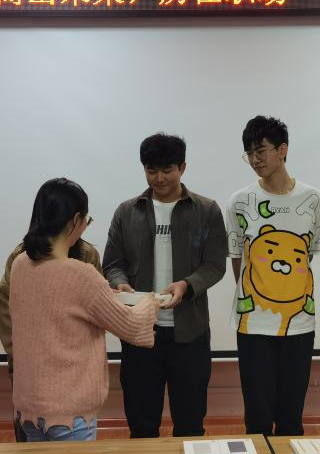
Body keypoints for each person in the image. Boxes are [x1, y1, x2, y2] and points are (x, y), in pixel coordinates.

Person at [10, 177, 158, 441]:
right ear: (75, 220)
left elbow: (61, 305)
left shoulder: (20, 264)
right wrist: (150, 302)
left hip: (29, 406)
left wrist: (109, 296)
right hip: (70, 412)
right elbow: (133, 327)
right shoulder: (82, 274)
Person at [103, 133, 227, 438]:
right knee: (142, 426)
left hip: (190, 334)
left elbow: (215, 265)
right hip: (140, 333)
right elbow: (113, 263)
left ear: (182, 167)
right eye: (151, 170)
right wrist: (120, 284)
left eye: (167, 170)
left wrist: (186, 285)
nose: (159, 178)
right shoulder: (127, 212)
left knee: (190, 425)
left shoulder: (206, 210)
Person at [226, 115, 320, 436]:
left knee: (291, 416)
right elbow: (238, 260)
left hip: (300, 323)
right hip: (253, 324)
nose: (255, 160)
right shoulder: (240, 201)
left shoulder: (313, 199)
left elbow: (307, 256)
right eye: (249, 154)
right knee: (257, 417)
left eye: (261, 151)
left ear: (282, 150)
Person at [0, 206, 102, 442]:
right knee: (30, 433)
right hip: (29, 368)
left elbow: (97, 310)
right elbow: (6, 305)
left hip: (73, 372)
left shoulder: (87, 254)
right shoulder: (22, 256)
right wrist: (19, 352)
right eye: (83, 220)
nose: (84, 226)